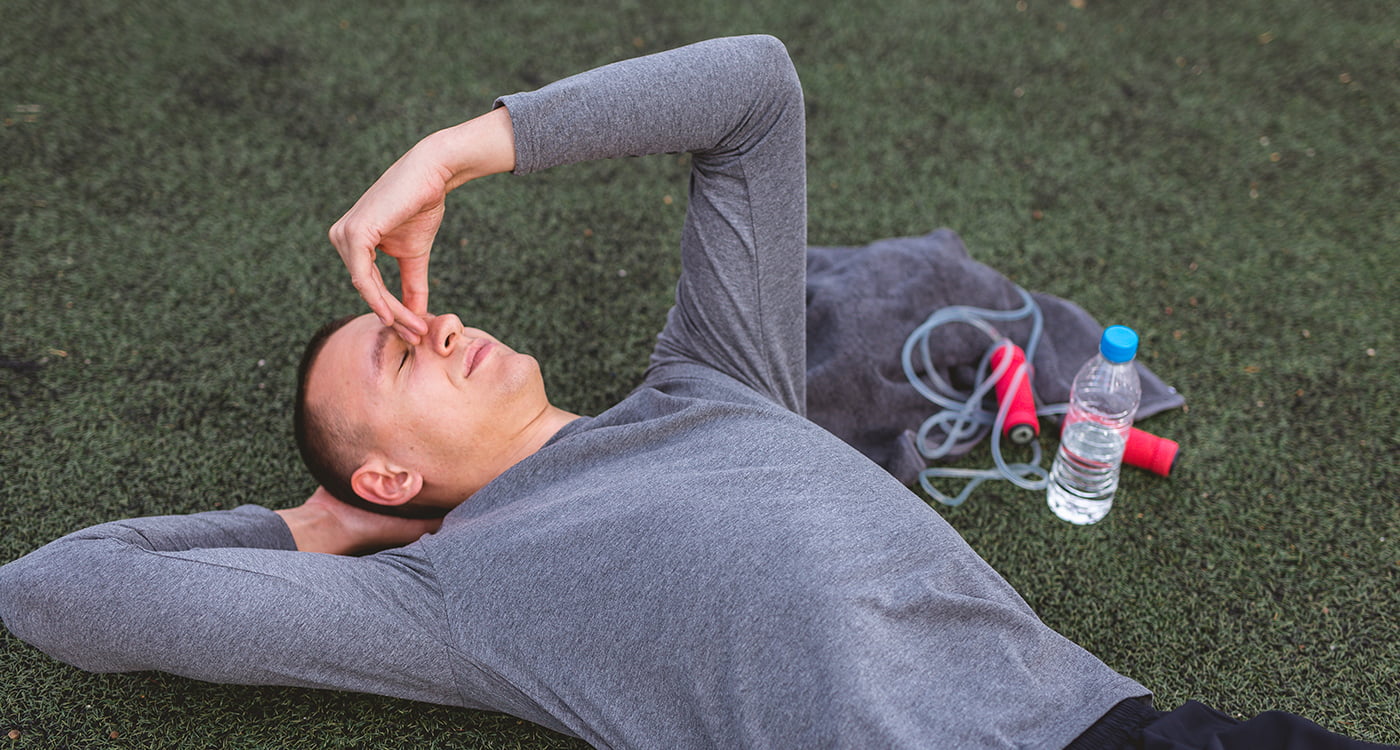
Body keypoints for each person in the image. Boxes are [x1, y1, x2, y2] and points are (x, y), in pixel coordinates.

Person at [0, 36, 1391, 750]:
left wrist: (455, 151)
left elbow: (754, 90)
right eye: (393, 353)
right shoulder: (450, 595)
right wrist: (320, 532)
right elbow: (60, 593)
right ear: (383, 476)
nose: (433, 322)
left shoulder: (714, 378)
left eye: (410, 314)